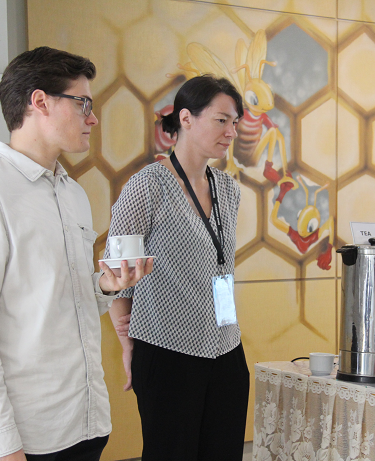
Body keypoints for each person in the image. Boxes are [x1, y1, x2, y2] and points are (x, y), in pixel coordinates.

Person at [0, 47, 150, 461]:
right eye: (82, 103)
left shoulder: (71, 193)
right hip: (21, 437)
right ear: (40, 102)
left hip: (82, 424)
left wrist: (104, 286)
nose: (92, 118)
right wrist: (3, 446)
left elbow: (59, 300)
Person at [107, 75, 249, 461]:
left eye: (235, 122)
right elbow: (118, 272)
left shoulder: (228, 189)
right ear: (186, 118)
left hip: (226, 349)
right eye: (221, 120)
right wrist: (127, 344)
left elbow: (220, 267)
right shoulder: (147, 186)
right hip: (167, 351)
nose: (231, 132)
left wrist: (227, 330)